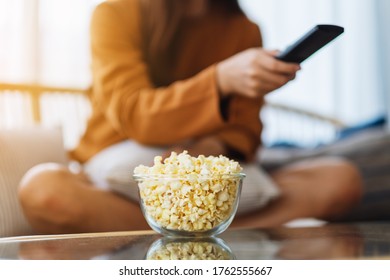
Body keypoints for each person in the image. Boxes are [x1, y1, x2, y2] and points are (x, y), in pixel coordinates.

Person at [18, 0, 362, 234]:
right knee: (42, 189)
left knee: (342, 178)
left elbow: (245, 130)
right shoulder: (117, 11)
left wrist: (206, 147)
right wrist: (221, 80)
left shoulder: (242, 29)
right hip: (117, 173)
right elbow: (133, 113)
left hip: (209, 172)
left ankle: (177, 236)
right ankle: (218, 236)